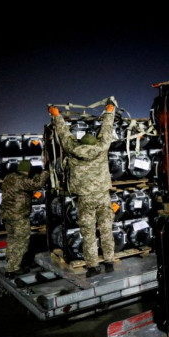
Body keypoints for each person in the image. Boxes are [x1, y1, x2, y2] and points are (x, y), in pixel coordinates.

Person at [48, 100, 117, 277]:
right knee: (106, 229)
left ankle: (93, 267)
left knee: (88, 233)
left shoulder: (73, 149)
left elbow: (64, 135)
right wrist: (109, 111)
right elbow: (106, 131)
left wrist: (56, 115)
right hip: (103, 196)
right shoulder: (101, 149)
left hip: (85, 199)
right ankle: (109, 262)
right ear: (94, 142)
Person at [1, 159, 50, 278]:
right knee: (21, 242)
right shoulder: (21, 180)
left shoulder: (9, 177)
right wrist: (45, 173)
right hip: (18, 217)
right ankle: (13, 268)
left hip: (8, 215)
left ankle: (10, 264)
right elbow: (37, 184)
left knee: (12, 240)